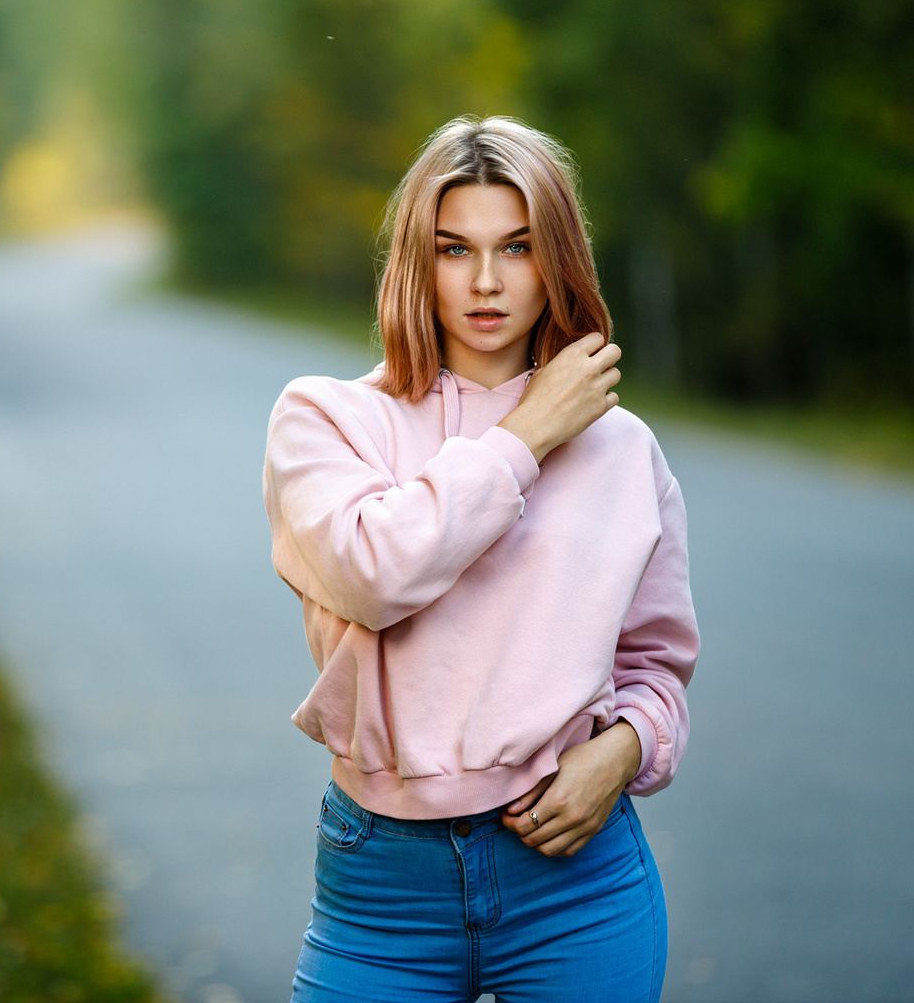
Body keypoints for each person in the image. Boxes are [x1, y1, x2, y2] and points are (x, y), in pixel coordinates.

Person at [262, 116, 699, 1003]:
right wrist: (528, 435)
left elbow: (656, 664)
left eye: (520, 248)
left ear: (558, 261)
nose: (488, 283)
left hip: (576, 881)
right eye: (455, 249)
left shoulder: (622, 450)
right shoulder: (327, 420)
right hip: (383, 891)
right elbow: (373, 577)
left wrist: (627, 749)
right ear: (418, 263)